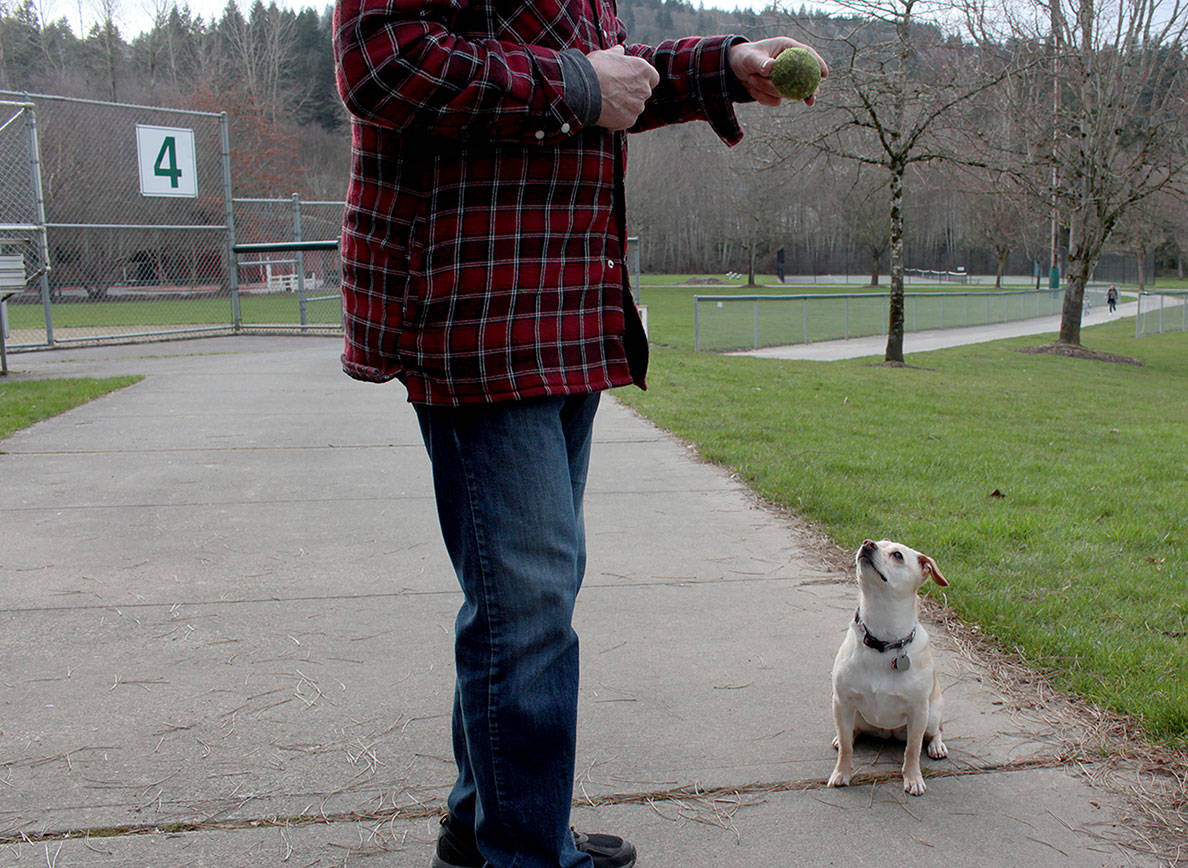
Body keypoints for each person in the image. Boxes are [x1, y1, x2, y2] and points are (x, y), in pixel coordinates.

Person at [332, 3, 826, 865]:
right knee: (526, 605)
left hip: (565, 309)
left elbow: (616, 76)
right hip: (476, 307)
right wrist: (576, 84)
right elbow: (383, 62)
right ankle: (524, 852)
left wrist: (724, 63)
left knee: (523, 600)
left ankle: (485, 826)